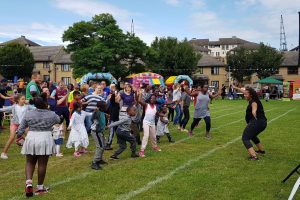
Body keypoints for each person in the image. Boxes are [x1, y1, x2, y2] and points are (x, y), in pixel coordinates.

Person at [15, 96, 61, 197]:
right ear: (45, 103)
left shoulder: (29, 113)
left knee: (30, 162)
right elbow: (58, 120)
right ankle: (40, 188)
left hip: (31, 137)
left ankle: (28, 183)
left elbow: (20, 129)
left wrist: (18, 137)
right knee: (42, 164)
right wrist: (49, 110)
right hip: (45, 137)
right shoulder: (51, 114)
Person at [234, 86, 267, 161]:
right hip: (262, 122)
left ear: (251, 95)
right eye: (244, 94)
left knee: (245, 138)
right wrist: (235, 87)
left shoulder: (253, 102)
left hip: (257, 122)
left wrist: (254, 112)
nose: (244, 95)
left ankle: (254, 157)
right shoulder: (253, 98)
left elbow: (254, 108)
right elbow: (243, 91)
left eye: (246, 94)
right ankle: (261, 151)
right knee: (252, 136)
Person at [0, 94, 34, 159]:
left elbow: (36, 108)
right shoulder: (14, 107)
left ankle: (27, 150)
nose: (25, 100)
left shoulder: (27, 107)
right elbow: (2, 109)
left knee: (29, 137)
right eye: (23, 99)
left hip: (24, 125)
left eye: (25, 99)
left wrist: (44, 107)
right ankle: (3, 153)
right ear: (18, 100)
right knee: (12, 137)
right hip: (14, 124)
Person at [138, 93, 161, 158]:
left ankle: (155, 147)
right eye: (151, 98)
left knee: (153, 136)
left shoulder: (155, 107)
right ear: (149, 99)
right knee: (146, 135)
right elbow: (139, 101)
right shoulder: (146, 105)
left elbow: (157, 114)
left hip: (152, 123)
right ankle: (142, 151)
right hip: (146, 122)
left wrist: (163, 115)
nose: (152, 99)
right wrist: (139, 93)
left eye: (154, 98)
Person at [90, 101, 108, 170]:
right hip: (96, 132)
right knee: (99, 147)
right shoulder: (97, 113)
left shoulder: (101, 112)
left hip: (100, 131)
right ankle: (94, 162)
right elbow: (93, 118)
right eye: (105, 106)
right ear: (101, 107)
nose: (106, 107)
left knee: (103, 146)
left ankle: (99, 159)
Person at [105, 84, 120, 150]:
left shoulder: (116, 101)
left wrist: (114, 93)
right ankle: (109, 144)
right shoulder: (111, 100)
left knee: (117, 131)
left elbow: (115, 98)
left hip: (116, 117)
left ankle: (117, 142)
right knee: (113, 131)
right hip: (113, 117)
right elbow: (108, 106)